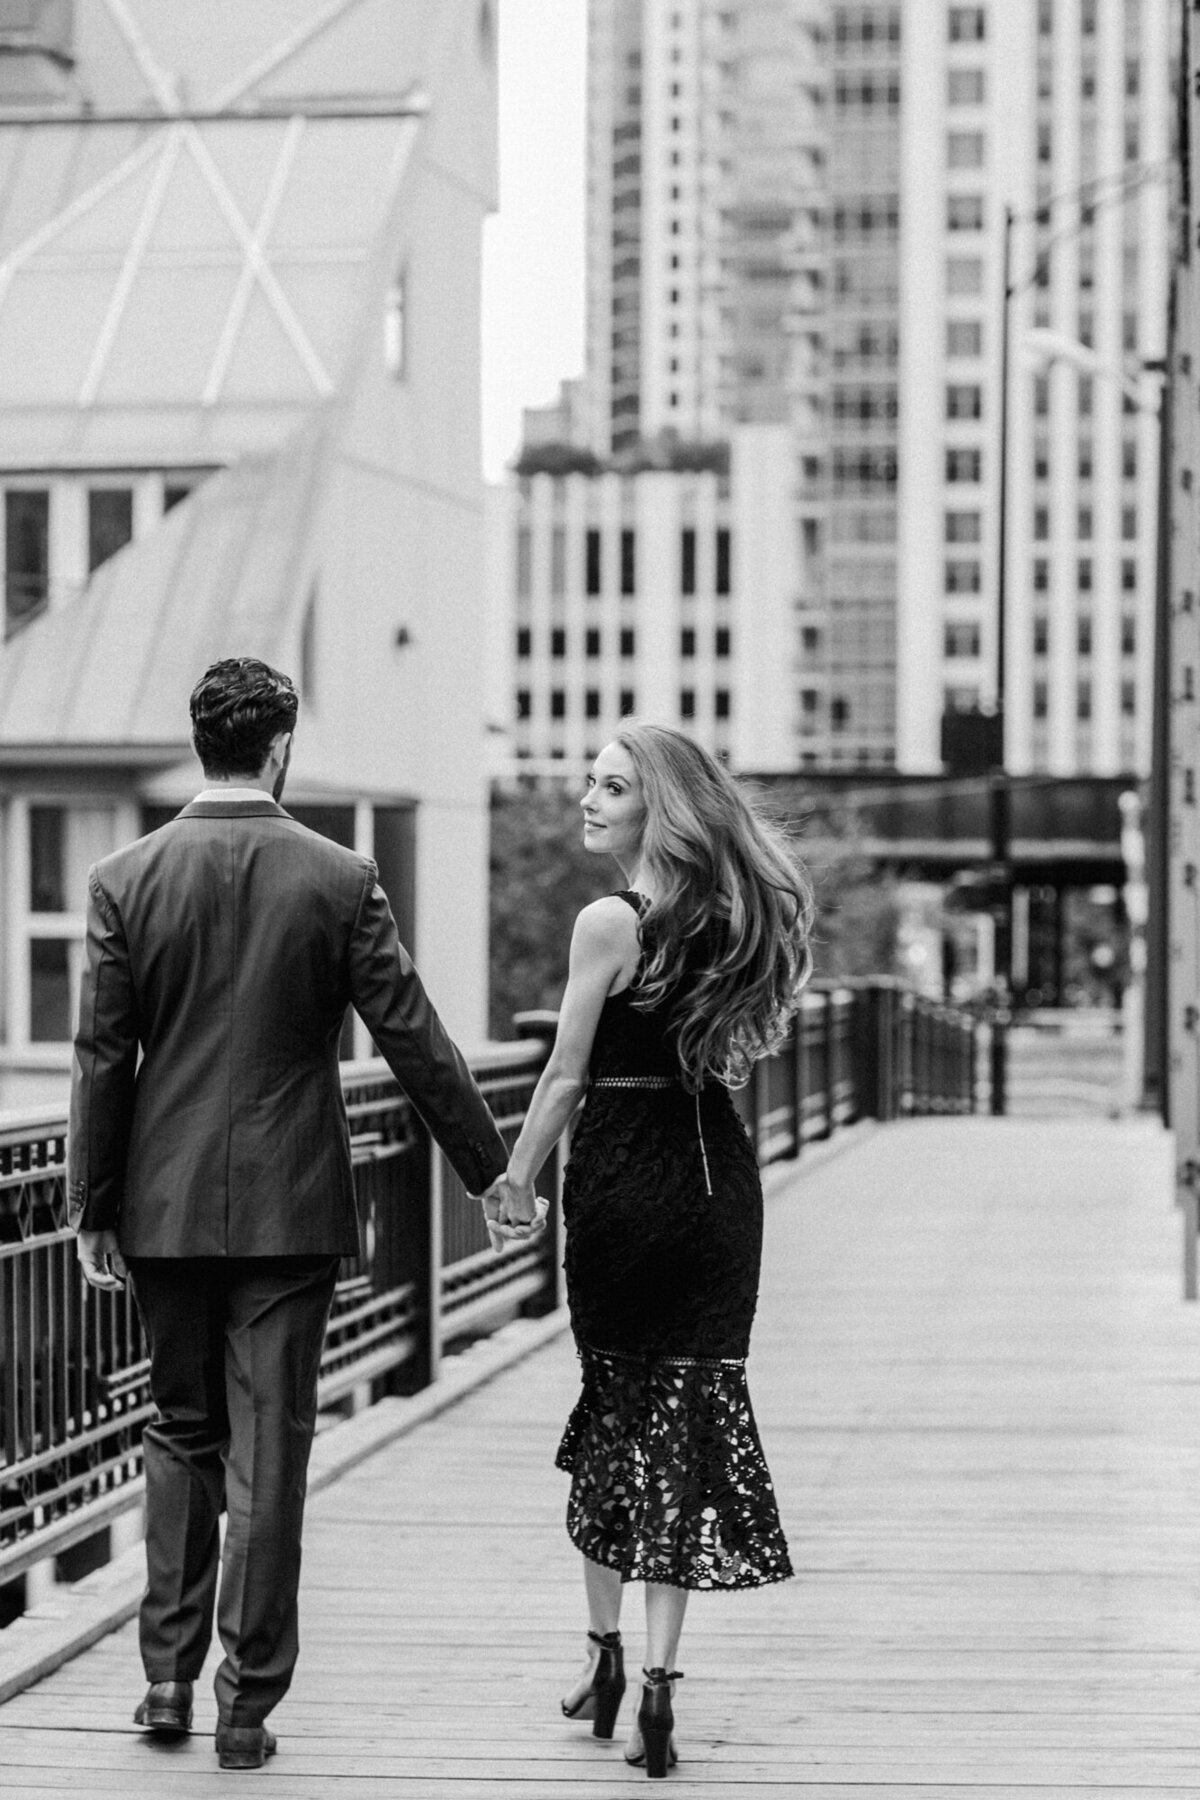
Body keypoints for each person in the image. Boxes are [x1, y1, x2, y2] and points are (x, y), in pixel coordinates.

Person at [67, 657, 524, 1772]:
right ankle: (245, 1707)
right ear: (280, 747)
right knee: (268, 1453)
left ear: (200, 743)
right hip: (294, 1207)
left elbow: (102, 1056)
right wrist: (488, 1168)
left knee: (178, 1435)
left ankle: (166, 1684)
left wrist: (91, 1203)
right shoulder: (337, 876)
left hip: (163, 1210)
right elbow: (411, 1033)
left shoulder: (126, 878)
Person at [490, 722, 811, 1779]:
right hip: (720, 1188)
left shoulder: (608, 921)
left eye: (612, 785)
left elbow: (564, 1075)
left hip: (626, 1183)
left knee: (615, 1411)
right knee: (688, 1421)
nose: (587, 798)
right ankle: (663, 1688)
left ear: (655, 809)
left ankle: (604, 1660)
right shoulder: (734, 918)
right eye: (591, 781)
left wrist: (517, 1175)